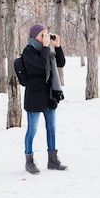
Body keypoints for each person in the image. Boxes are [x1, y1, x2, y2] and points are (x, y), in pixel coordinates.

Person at [21, 22, 67, 174]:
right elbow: (41, 64)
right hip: (34, 96)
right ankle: (29, 161)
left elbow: (60, 63)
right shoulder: (28, 51)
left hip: (49, 96)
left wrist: (57, 46)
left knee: (51, 128)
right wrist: (47, 48)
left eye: (47, 34)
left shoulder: (46, 50)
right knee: (32, 130)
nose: (45, 37)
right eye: (42, 35)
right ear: (35, 37)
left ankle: (52, 160)